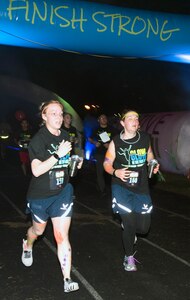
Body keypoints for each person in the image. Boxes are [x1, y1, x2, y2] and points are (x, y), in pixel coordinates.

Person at [21, 100, 83, 293]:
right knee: (38, 232)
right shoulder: (38, 140)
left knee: (61, 236)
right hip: (40, 196)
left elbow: (64, 161)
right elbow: (37, 170)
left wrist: (75, 161)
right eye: (53, 113)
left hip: (62, 192)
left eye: (60, 113)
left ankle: (67, 279)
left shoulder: (65, 135)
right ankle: (27, 244)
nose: (58, 116)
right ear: (44, 116)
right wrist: (57, 155)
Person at [103, 109, 159, 271]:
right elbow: (107, 163)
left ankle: (131, 230)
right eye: (130, 118)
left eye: (136, 118)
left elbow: (149, 154)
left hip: (141, 187)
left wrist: (152, 163)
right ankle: (129, 257)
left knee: (143, 228)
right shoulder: (116, 142)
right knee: (129, 224)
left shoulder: (145, 138)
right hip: (121, 186)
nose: (135, 120)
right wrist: (116, 172)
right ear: (123, 123)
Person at [88, 114, 117, 195]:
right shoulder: (96, 129)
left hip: (110, 154)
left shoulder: (112, 129)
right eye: (101, 118)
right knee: (100, 172)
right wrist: (94, 142)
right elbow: (89, 138)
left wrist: (110, 145)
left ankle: (114, 189)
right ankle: (102, 189)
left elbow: (117, 139)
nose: (104, 119)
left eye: (105, 118)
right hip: (100, 154)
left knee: (111, 171)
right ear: (98, 120)